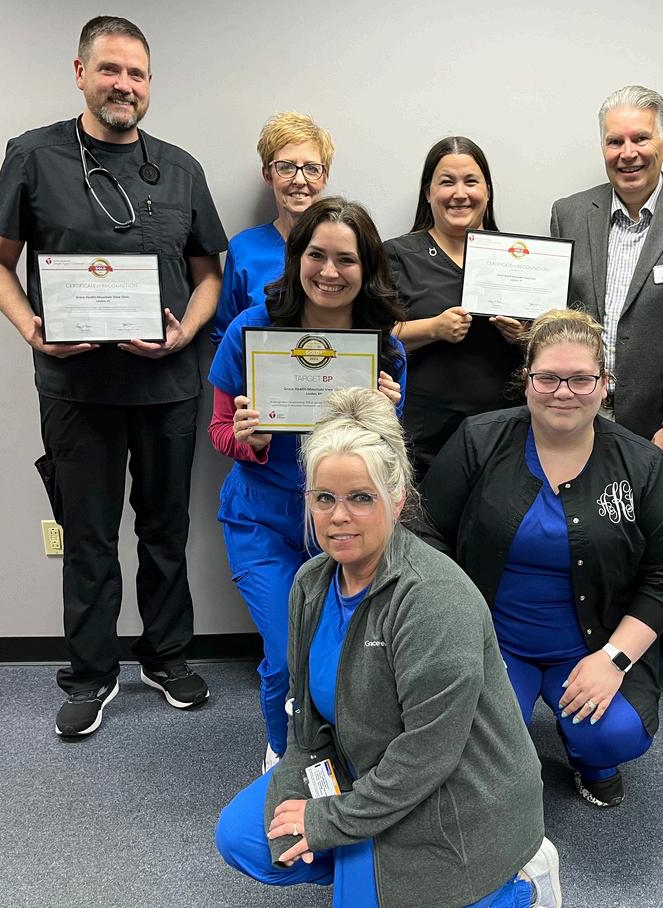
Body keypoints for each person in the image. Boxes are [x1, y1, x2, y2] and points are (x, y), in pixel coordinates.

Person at [215, 388, 562, 908]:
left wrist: (329, 820)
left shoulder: (434, 598)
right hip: (365, 766)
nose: (338, 516)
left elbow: (426, 758)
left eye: (361, 498)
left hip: (455, 792)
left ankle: (519, 884)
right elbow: (307, 724)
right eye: (324, 498)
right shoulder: (310, 583)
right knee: (245, 837)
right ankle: (370, 865)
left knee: (362, 871)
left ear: (396, 499)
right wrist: (297, 801)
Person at [0, 16, 227, 737]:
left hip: (167, 386)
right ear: (81, 73)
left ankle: (166, 656)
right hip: (76, 389)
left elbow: (209, 274)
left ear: (149, 84)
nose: (124, 85)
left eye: (137, 73)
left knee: (165, 529)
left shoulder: (180, 168)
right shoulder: (33, 156)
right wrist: (32, 328)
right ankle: (90, 673)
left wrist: (187, 330)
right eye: (111, 69)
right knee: (87, 536)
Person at [421, 309, 663, 808]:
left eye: (581, 379)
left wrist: (613, 660)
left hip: (595, 644)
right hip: (493, 640)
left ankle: (592, 761)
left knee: (616, 733)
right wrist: (457, 634)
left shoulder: (642, 463)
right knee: (475, 738)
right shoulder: (479, 439)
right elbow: (426, 533)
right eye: (547, 377)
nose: (563, 392)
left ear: (605, 384)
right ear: (526, 381)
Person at [208, 198, 407, 771]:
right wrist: (250, 439)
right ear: (296, 258)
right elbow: (219, 431)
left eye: (346, 259)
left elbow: (387, 460)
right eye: (316, 255)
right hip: (263, 519)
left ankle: (343, 748)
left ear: (367, 268)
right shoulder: (251, 330)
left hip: (346, 524)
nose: (329, 272)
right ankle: (284, 753)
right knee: (285, 654)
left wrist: (388, 417)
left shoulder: (384, 347)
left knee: (347, 653)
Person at [550, 85, 663, 472]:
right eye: (615, 141)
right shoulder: (568, 214)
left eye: (640, 138)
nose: (628, 153)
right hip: (578, 417)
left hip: (659, 427)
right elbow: (558, 316)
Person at [386, 137, 525, 479]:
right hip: (421, 440)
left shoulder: (519, 258)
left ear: (487, 191)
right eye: (447, 182)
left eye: (471, 182)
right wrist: (433, 328)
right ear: (428, 192)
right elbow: (373, 338)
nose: (460, 193)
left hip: (504, 438)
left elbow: (550, 347)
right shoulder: (397, 255)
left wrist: (523, 336)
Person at [211, 111, 334, 345]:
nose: (300, 180)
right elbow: (225, 336)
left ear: (324, 176)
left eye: (311, 168)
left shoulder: (347, 248)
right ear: (268, 175)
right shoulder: (244, 249)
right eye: (286, 167)